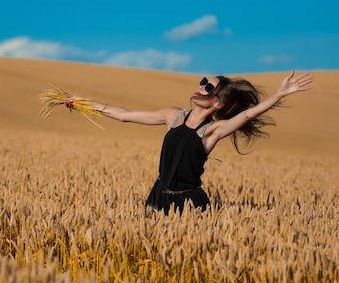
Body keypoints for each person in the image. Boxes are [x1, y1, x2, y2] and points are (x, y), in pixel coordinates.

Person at [65, 71, 313, 215]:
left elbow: (248, 115)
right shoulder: (173, 116)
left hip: (190, 204)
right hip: (158, 195)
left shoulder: (211, 131)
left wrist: (280, 94)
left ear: (218, 104)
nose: (201, 86)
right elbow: (124, 115)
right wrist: (82, 103)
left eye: (208, 87)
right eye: (203, 81)